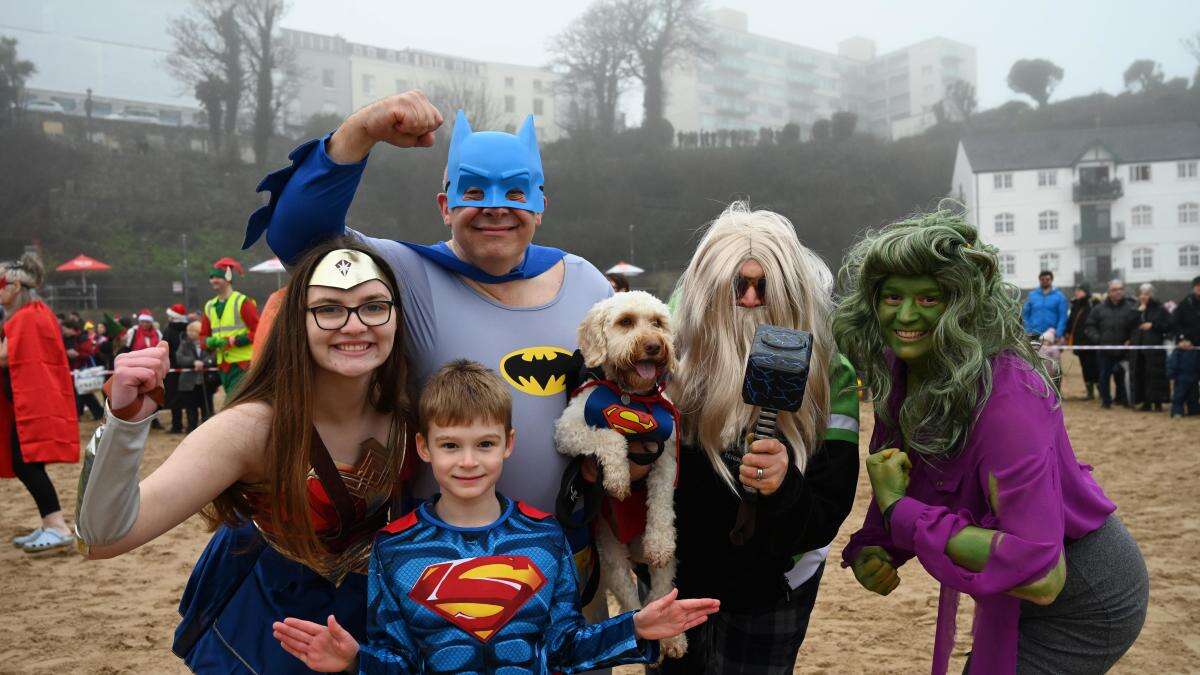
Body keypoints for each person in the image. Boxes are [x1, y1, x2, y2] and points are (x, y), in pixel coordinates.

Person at [244, 95, 616, 618]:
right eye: (473, 191)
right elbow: (300, 239)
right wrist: (362, 131)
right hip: (441, 571)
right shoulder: (408, 273)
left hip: (565, 569)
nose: (495, 207)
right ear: (444, 206)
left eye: (514, 191)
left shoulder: (588, 284)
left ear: (539, 205)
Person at [74, 241, 414, 673]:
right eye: (329, 309)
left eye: (373, 306)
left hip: (381, 633)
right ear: (297, 323)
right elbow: (100, 540)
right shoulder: (253, 429)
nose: (354, 325)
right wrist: (124, 424)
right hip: (275, 633)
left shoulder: (415, 414)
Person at [835, 209, 1147, 674]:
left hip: (1085, 595)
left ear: (962, 303)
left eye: (929, 299)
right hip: (1020, 585)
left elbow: (1042, 573)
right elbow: (912, 481)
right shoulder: (903, 369)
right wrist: (878, 545)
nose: (904, 315)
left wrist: (902, 516)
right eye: (891, 296)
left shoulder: (1008, 401)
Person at [272, 360, 719, 673]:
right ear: (424, 448)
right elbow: (399, 662)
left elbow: (565, 650)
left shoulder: (544, 536)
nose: (468, 461)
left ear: (508, 443)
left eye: (484, 444)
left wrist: (635, 627)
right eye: (450, 445)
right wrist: (354, 661)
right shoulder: (394, 547)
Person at [662, 203, 859, 674]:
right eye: (737, 285)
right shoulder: (667, 364)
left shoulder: (830, 377)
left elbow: (826, 513)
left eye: (764, 287)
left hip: (774, 591)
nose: (750, 299)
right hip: (676, 588)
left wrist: (784, 486)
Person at [1, 252, 80, 553]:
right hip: (23, 405)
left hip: (31, 404)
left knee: (27, 464)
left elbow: (8, 356)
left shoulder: (30, 316)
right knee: (25, 463)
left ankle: (57, 526)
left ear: (15, 287)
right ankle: (50, 525)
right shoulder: (30, 314)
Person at [200, 257, 259, 397]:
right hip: (223, 367)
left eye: (217, 277)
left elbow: (259, 331)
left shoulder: (242, 301)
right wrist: (208, 342)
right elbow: (203, 336)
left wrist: (234, 341)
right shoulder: (209, 306)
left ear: (227, 279)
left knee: (237, 403)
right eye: (211, 277)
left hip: (243, 365)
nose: (213, 280)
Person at [1085, 280, 1139, 409]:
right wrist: (1098, 339)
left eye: (1120, 289)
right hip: (1105, 349)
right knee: (1104, 376)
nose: (1118, 291)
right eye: (1114, 289)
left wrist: (1132, 340)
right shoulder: (1098, 309)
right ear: (1109, 292)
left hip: (1125, 349)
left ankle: (1124, 399)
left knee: (1123, 376)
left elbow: (1136, 327)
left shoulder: (1131, 308)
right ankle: (1106, 401)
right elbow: (1089, 326)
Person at [1129, 283, 1171, 412]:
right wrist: (1138, 312)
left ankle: (1157, 402)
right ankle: (1145, 402)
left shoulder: (1160, 309)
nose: (1143, 296)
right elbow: (1129, 323)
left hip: (1155, 348)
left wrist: (1153, 326)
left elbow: (1168, 325)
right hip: (1139, 348)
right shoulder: (1136, 308)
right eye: (1141, 294)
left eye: (1146, 294)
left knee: (1155, 376)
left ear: (1151, 295)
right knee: (1141, 374)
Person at [174, 320, 213, 432]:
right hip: (188, 384)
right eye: (188, 331)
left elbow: (213, 356)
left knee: (207, 407)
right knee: (191, 409)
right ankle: (191, 429)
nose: (189, 333)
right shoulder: (184, 343)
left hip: (205, 382)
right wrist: (193, 362)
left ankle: (208, 431)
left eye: (192, 331)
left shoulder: (207, 343)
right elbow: (179, 358)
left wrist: (204, 363)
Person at [1170, 275, 1200, 417]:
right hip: (1188, 348)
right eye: (1198, 286)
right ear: (1194, 287)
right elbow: (1175, 324)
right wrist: (1182, 339)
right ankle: (1177, 409)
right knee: (1185, 381)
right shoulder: (1184, 304)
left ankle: (1194, 408)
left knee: (1195, 382)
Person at [63, 318, 105, 421]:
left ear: (71, 329)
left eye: (64, 329)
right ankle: (97, 413)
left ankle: (79, 414)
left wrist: (77, 354)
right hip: (71, 370)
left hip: (81, 370)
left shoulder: (82, 338)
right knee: (82, 393)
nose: (63, 331)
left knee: (81, 393)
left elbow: (89, 353)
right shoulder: (65, 338)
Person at [1064, 284, 1099, 399]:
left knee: (1094, 366)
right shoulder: (1075, 305)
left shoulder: (1092, 304)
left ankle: (1100, 390)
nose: (1077, 293)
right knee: (1084, 366)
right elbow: (1071, 321)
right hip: (1079, 341)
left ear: (1086, 292)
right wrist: (1067, 332)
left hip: (1091, 341)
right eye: (1076, 291)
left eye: (1080, 291)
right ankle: (1090, 392)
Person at [163, 303, 190, 433]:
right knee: (190, 397)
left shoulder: (168, 330)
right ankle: (192, 424)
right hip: (188, 367)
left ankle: (177, 425)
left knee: (174, 399)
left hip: (173, 369)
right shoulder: (188, 329)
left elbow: (164, 349)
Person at [1021, 270, 1068, 339]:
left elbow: (1063, 316)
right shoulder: (1032, 295)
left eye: (1047, 279)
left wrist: (1059, 333)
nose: (1045, 281)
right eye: (1042, 279)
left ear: (1051, 280)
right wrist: (1028, 330)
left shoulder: (1060, 296)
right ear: (1039, 280)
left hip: (1051, 334)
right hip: (1034, 333)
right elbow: (1025, 314)